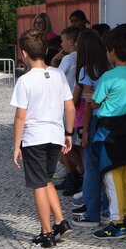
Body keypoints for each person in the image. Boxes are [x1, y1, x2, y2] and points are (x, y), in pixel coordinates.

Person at [11, 29, 76, 248]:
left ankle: (47, 232)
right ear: (47, 51)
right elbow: (70, 106)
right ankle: (60, 221)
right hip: (55, 135)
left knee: (38, 184)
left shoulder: (25, 80)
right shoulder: (58, 75)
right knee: (46, 178)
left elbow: (20, 116)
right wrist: (68, 133)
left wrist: (16, 145)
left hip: (34, 137)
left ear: (23, 53)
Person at [89, 25, 126, 239]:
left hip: (108, 131)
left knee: (111, 177)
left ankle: (116, 222)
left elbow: (95, 103)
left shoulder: (107, 77)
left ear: (112, 51)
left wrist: (91, 99)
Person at [70, 29, 109, 227]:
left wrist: (85, 131)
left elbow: (87, 104)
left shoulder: (87, 70)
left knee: (91, 168)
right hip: (110, 120)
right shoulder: (108, 65)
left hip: (94, 120)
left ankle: (92, 213)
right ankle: (107, 209)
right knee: (107, 168)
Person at [53, 26, 83, 195]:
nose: (61, 43)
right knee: (72, 144)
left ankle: (77, 172)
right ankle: (74, 175)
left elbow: (57, 78)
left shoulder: (69, 58)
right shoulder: (78, 57)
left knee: (64, 143)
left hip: (66, 104)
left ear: (71, 41)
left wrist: (53, 64)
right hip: (72, 102)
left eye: (63, 40)